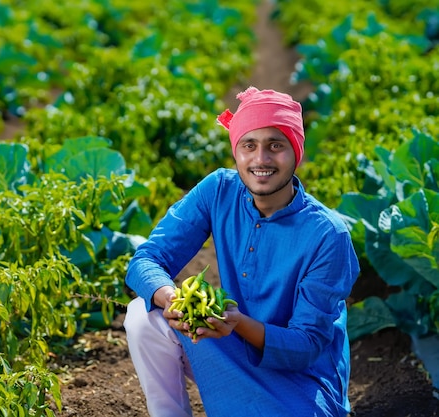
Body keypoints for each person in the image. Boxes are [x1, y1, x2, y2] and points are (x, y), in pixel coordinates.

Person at [123, 86, 360, 417]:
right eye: (249, 145)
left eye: (275, 146)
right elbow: (145, 260)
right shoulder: (219, 190)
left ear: (296, 153)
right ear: (236, 151)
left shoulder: (327, 235)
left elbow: (305, 347)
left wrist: (236, 324)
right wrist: (171, 299)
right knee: (142, 316)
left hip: (298, 381)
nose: (260, 159)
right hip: (231, 345)